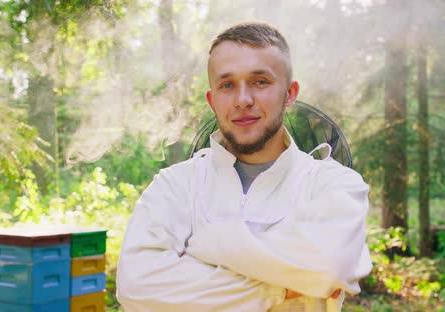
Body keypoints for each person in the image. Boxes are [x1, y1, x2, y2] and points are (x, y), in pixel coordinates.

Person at [116, 21, 372, 312]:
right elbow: (136, 286)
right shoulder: (174, 185)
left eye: (260, 81)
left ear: (290, 93)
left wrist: (208, 243)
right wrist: (277, 289)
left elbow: (332, 265)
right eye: (227, 85)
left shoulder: (334, 184)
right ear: (212, 100)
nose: (243, 100)